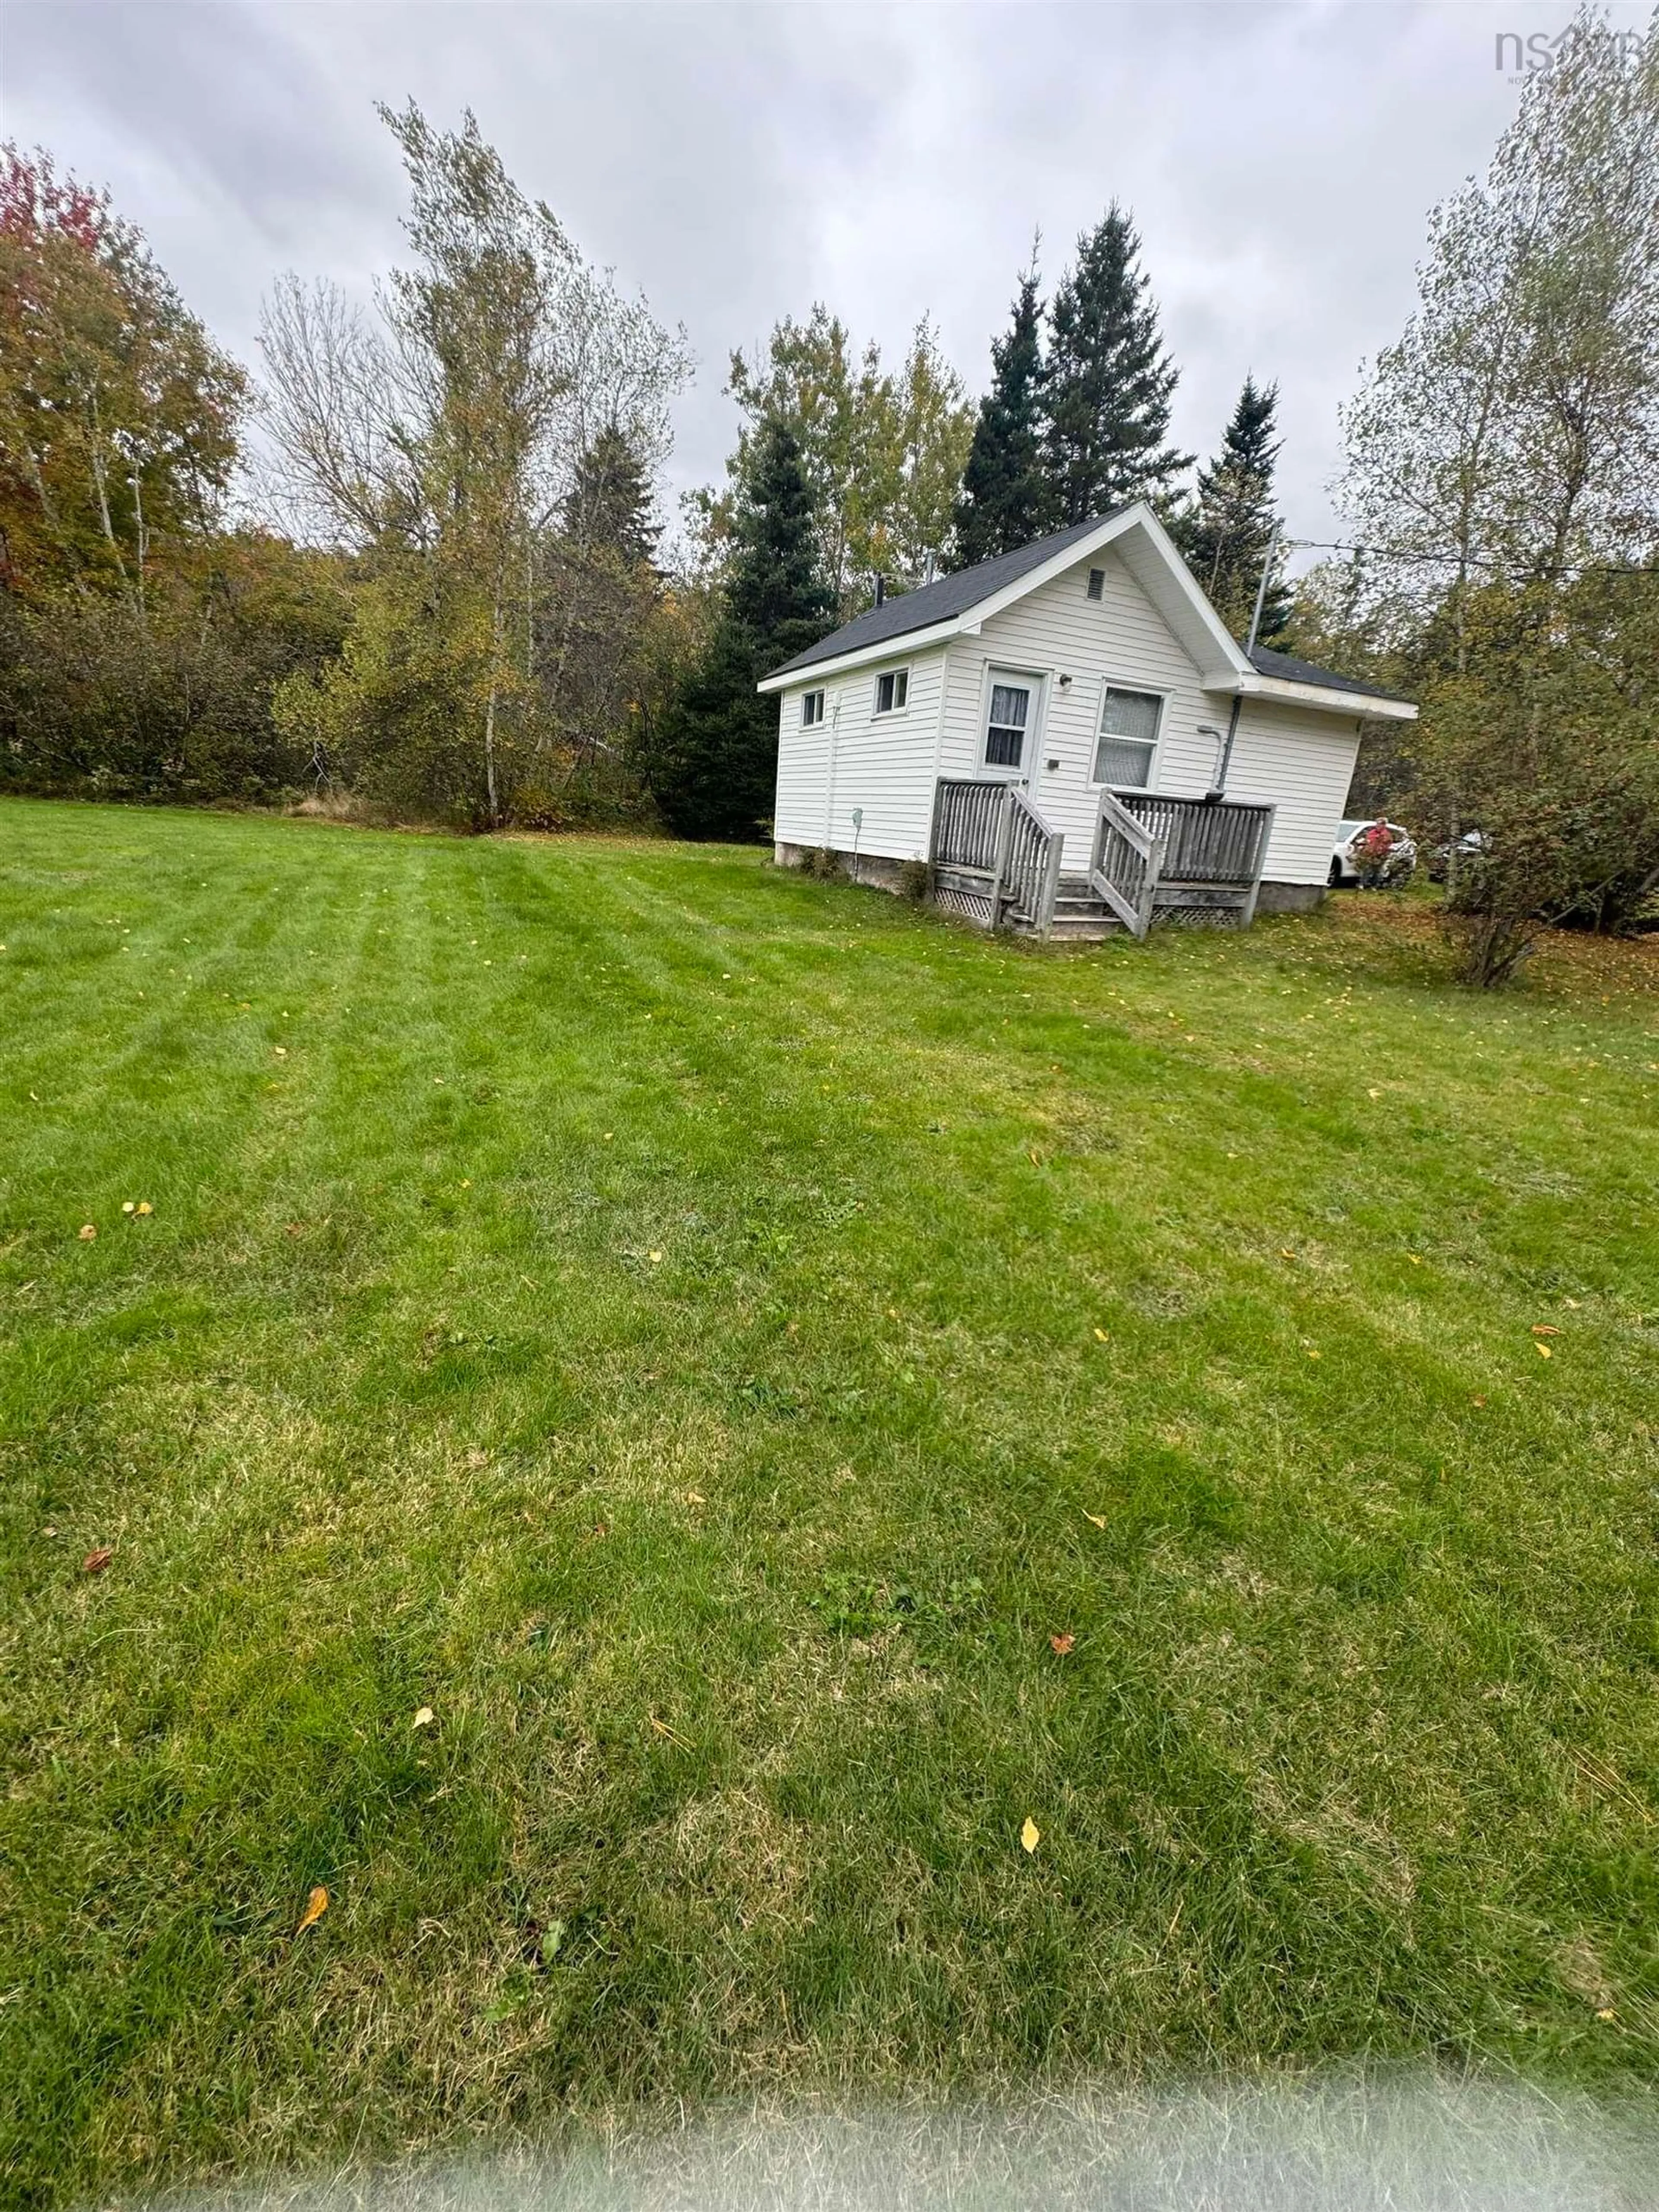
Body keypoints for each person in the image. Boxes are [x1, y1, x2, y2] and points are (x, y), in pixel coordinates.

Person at [1356, 818, 1395, 889]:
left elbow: (1388, 845)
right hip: (1369, 854)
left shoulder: (1387, 835)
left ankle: (1375, 886)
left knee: (1377, 871)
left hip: (1380, 856)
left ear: (1384, 825)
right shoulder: (1372, 833)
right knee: (1366, 869)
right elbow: (1367, 841)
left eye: (1380, 824)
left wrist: (1381, 852)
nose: (1378, 825)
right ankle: (1363, 884)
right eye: (1377, 824)